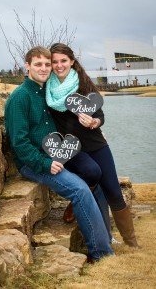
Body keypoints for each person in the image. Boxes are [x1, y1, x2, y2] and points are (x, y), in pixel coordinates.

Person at [5, 46, 114, 262]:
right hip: (35, 162)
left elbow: (70, 118)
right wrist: (45, 164)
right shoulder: (20, 97)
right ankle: (101, 254)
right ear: (27, 66)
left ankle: (106, 239)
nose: (44, 69)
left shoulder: (44, 91)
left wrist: (95, 124)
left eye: (47, 64)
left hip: (57, 151)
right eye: (38, 64)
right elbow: (19, 143)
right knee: (81, 190)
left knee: (97, 179)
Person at [46, 43, 139, 248]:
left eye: (63, 60)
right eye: (55, 61)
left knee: (113, 191)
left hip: (96, 143)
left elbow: (100, 116)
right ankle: (79, 203)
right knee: (92, 174)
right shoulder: (47, 89)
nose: (59, 65)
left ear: (72, 61)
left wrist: (94, 122)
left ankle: (131, 243)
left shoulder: (83, 85)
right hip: (71, 149)